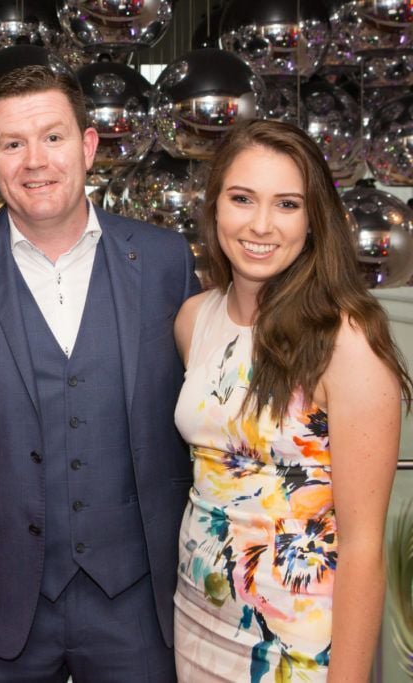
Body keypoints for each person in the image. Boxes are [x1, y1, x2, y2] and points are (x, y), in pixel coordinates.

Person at [0, 64, 200, 682]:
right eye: (13, 144)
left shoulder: (166, 262)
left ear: (88, 146)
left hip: (141, 605)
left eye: (53, 138)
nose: (35, 161)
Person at [173, 119, 411, 681]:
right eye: (241, 199)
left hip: (298, 643)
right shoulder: (194, 319)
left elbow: (361, 548)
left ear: (313, 221)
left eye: (286, 204)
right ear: (215, 207)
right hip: (197, 616)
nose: (260, 224)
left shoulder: (346, 342)